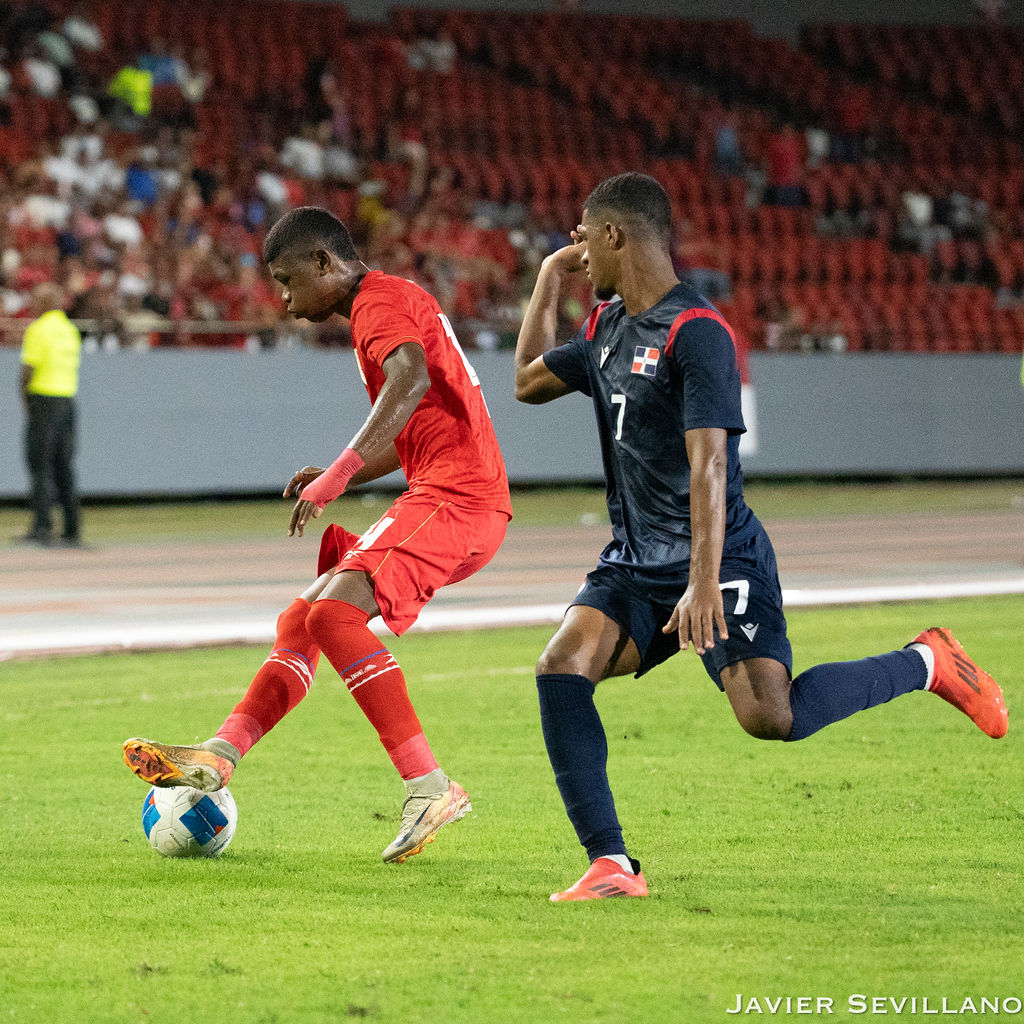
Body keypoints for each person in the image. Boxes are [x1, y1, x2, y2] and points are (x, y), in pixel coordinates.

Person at [513, 172, 1008, 902]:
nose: (579, 252)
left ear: (616, 234)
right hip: (636, 561)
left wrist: (702, 582)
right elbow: (526, 383)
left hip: (720, 558)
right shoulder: (604, 328)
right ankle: (611, 863)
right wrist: (549, 279)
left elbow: (710, 464)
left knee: (771, 717)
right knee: (560, 667)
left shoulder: (697, 332)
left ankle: (926, 662)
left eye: (585, 240)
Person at [124, 206, 512, 863]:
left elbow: (411, 378)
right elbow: (416, 419)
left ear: (325, 263)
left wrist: (342, 471)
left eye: (287, 280)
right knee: (301, 620)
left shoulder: (376, 304)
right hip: (445, 493)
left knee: (334, 615)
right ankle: (220, 754)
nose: (282, 297)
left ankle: (429, 786)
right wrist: (345, 469)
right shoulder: (386, 302)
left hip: (458, 498)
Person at [18, 282, 82, 546]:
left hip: (43, 400)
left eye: (35, 299)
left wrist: (25, 400)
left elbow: (27, 370)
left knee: (39, 465)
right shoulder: (70, 330)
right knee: (64, 466)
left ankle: (42, 527)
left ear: (45, 303)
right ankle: (72, 529)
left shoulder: (38, 329)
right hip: (67, 401)